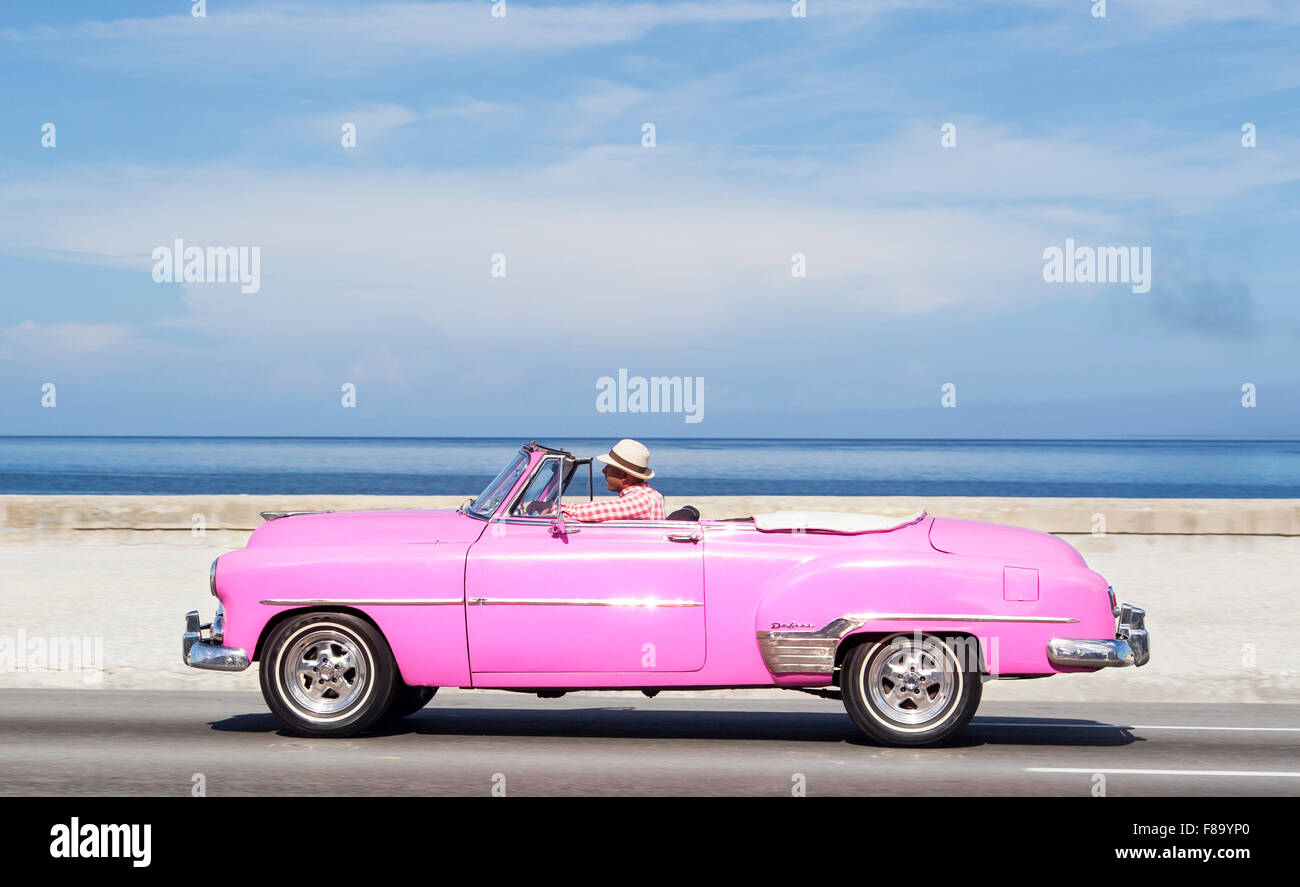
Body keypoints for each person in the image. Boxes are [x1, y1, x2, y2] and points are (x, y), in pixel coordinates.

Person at [559, 439, 665, 522]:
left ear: (624, 476)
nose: (603, 471)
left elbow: (598, 510)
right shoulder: (647, 494)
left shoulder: (644, 499)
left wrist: (557, 509)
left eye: (609, 467)